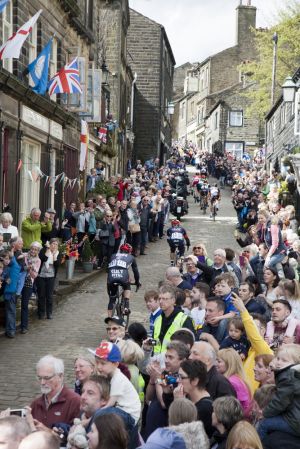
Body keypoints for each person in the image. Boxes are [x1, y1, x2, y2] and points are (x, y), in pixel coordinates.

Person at [89, 341, 141, 425]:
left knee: (101, 414)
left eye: (103, 363)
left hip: (129, 414)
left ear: (116, 364)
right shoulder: (108, 375)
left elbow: (110, 404)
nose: (98, 367)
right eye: (97, 362)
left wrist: (91, 419)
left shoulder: (118, 379)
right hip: (119, 409)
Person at [231, 293, 273, 393]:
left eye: (252, 326)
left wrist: (243, 310)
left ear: (263, 330)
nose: (248, 330)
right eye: (248, 327)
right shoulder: (247, 348)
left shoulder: (264, 350)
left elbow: (254, 336)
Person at [257, 343, 300, 440]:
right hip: (295, 416)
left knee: (265, 423)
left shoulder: (288, 377)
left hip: (295, 422)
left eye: (284, 360)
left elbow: (280, 401)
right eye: (278, 358)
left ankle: (257, 445)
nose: (279, 362)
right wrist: (273, 363)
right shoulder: (292, 374)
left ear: (295, 363)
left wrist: (265, 413)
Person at [30, 355, 80, 428]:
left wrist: (47, 432)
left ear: (60, 376)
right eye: (39, 378)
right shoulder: (35, 404)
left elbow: (76, 437)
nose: (42, 382)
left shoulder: (75, 402)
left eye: (47, 378)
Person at [173, 359, 214, 437]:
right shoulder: (188, 398)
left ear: (195, 381)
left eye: (181, 377)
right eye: (177, 376)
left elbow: (181, 432)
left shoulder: (205, 408)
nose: (178, 380)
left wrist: (178, 404)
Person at [153, 284, 195, 354]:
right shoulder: (158, 319)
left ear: (173, 300)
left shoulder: (184, 319)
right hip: (157, 360)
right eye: (159, 299)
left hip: (175, 361)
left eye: (164, 299)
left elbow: (190, 345)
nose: (160, 301)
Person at [107, 243, 141, 316]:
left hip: (111, 277)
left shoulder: (113, 255)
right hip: (123, 277)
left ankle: (109, 319)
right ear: (129, 251)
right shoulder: (131, 257)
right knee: (127, 285)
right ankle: (126, 307)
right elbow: (136, 272)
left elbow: (109, 268)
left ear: (120, 250)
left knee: (112, 299)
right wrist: (137, 282)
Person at [216, 348, 252, 416]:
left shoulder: (231, 382)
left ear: (229, 363)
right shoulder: (236, 378)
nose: (216, 364)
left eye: (219, 361)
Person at [36, 238, 61, 320]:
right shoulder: (44, 250)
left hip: (51, 276)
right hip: (41, 276)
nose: (54, 245)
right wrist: (48, 250)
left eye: (56, 244)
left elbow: (57, 264)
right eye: (53, 243)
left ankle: (49, 313)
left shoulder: (58, 253)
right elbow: (43, 258)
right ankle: (41, 313)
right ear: (50, 244)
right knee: (41, 295)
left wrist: (54, 254)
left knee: (49, 296)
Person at [20, 241, 42, 333]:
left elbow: (34, 276)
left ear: (38, 251)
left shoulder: (38, 260)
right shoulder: (24, 255)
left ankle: (24, 326)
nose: (33, 251)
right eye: (32, 249)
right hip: (19, 281)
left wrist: (30, 269)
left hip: (28, 283)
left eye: (35, 250)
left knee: (24, 305)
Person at [2, 249, 21, 338]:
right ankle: (9, 330)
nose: (5, 261)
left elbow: (12, 259)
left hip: (11, 292)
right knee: (8, 311)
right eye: (3, 259)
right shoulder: (8, 266)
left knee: (11, 312)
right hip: (8, 291)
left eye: (6, 258)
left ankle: (11, 331)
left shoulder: (14, 265)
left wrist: (12, 253)